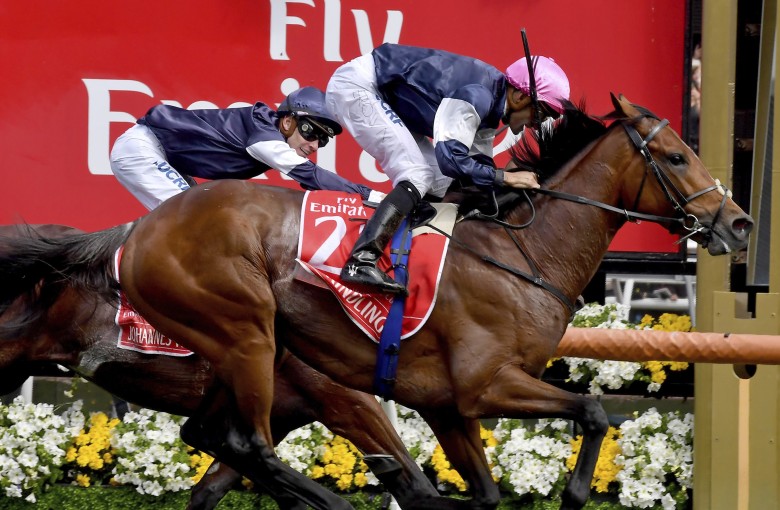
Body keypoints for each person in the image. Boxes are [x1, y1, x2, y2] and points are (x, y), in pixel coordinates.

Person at [326, 43, 570, 295]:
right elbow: (451, 160)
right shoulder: (478, 96)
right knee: (418, 175)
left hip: (384, 96)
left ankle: (404, 257)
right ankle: (361, 260)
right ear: (519, 97)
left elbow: (476, 177)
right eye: (540, 113)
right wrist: (506, 177)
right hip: (360, 87)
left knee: (441, 182)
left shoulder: (492, 107)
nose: (537, 124)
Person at [110, 86, 375, 211]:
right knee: (191, 219)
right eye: (309, 131)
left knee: (202, 220)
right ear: (286, 120)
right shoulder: (265, 137)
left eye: (323, 140)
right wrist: (378, 199)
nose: (314, 144)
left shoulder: (268, 129)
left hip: (163, 156)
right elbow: (312, 177)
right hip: (143, 149)